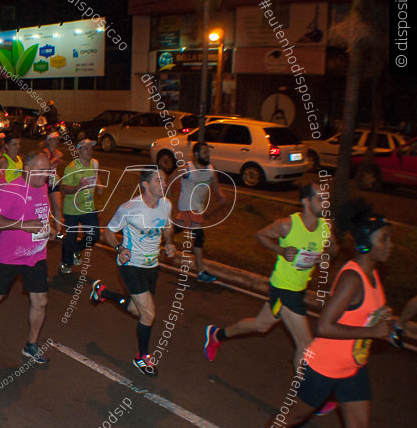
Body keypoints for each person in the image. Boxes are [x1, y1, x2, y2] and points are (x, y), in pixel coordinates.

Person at [235, 200, 394, 428]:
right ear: (365, 245)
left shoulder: (374, 276)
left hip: (352, 366)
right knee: (294, 415)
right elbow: (325, 326)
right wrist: (372, 333)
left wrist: (381, 322)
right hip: (325, 365)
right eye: (384, 239)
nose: (390, 244)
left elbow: (361, 318)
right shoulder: (352, 279)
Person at [204, 182, 337, 369]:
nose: (326, 203)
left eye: (327, 198)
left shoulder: (326, 225)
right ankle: (309, 394)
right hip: (283, 288)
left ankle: (217, 335)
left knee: (260, 325)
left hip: (299, 289)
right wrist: (281, 250)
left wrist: (327, 253)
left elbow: (333, 249)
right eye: (321, 199)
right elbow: (260, 235)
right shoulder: (286, 225)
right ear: (306, 201)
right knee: (305, 343)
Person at [91, 168, 175, 375]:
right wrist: (120, 248)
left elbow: (167, 226)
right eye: (159, 180)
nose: (164, 183)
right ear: (145, 184)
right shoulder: (129, 208)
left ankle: (103, 292)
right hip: (130, 266)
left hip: (151, 267)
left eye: (165, 180)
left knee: (139, 311)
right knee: (148, 313)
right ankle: (142, 357)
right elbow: (108, 232)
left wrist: (170, 242)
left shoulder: (166, 204)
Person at [0, 152, 54, 365]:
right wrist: (22, 224)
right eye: (41, 171)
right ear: (27, 169)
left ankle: (31, 344)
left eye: (48, 171)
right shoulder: (12, 190)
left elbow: (43, 212)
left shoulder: (42, 186)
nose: (45, 175)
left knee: (40, 301)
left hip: (36, 255)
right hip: (9, 256)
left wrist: (51, 225)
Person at [174, 142, 227, 282]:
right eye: (205, 152)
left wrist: (221, 196)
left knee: (176, 229)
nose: (207, 155)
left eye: (208, 152)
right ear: (196, 154)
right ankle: (201, 272)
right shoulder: (186, 169)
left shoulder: (210, 169)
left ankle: (153, 239)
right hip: (187, 206)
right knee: (199, 237)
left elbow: (215, 186)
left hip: (197, 207)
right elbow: (169, 180)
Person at [59, 139, 102, 274]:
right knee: (71, 237)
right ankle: (66, 261)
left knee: (94, 235)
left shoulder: (94, 163)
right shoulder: (71, 167)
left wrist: (99, 185)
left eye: (91, 148)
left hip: (88, 207)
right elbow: (64, 188)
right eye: (86, 148)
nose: (90, 151)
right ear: (78, 151)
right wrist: (78, 187)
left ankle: (77, 248)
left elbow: (96, 176)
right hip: (72, 209)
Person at [42, 132, 65, 239]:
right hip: (45, 182)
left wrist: (58, 161)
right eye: (55, 140)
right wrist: (56, 158)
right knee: (47, 207)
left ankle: (59, 232)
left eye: (58, 140)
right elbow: (45, 166)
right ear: (49, 141)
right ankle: (47, 229)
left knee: (58, 206)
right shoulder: (45, 152)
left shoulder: (57, 152)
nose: (57, 142)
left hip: (54, 181)